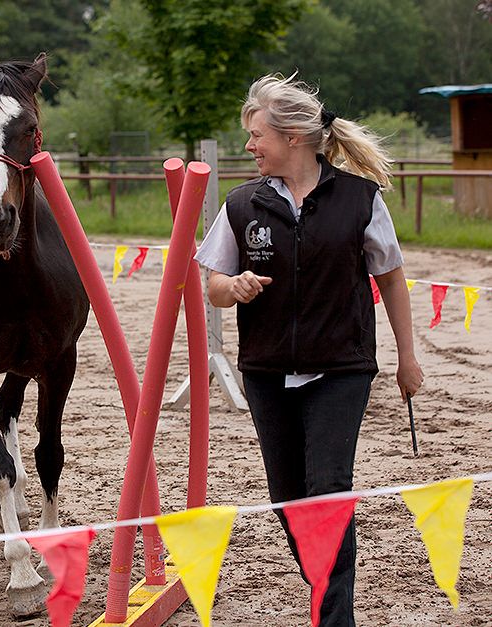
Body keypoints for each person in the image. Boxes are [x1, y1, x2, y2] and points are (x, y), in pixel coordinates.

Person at [195, 73, 424, 626]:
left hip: (341, 366)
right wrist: (237, 285)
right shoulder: (241, 204)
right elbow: (213, 286)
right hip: (266, 370)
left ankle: (333, 618)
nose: (249, 146)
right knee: (289, 499)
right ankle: (326, 588)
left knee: (327, 489)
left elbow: (391, 278)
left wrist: (407, 357)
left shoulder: (360, 199)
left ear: (293, 137)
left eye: (256, 136)